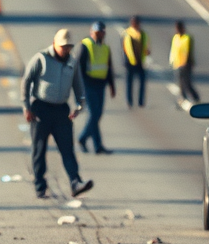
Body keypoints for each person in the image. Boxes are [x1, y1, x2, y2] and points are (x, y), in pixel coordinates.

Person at [21, 28, 94, 199]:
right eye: (63, 47)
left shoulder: (72, 62)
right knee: (39, 149)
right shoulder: (41, 58)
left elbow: (78, 86)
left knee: (67, 149)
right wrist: (26, 107)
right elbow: (26, 80)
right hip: (41, 109)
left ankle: (76, 182)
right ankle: (40, 186)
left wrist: (79, 105)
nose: (66, 50)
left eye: (69, 47)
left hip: (61, 110)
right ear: (55, 44)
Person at [77, 21, 116, 154]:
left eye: (102, 32)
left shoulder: (105, 48)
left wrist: (112, 85)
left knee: (97, 115)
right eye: (97, 32)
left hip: (101, 85)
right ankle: (85, 139)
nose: (100, 34)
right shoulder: (86, 46)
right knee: (94, 114)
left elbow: (108, 67)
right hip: (89, 84)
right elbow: (79, 67)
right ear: (92, 32)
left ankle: (96, 145)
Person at [122, 15, 149, 107]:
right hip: (130, 62)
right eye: (134, 23)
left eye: (137, 23)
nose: (136, 25)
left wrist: (146, 52)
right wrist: (127, 60)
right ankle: (129, 101)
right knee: (129, 82)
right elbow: (126, 48)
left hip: (140, 61)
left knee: (142, 81)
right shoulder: (127, 33)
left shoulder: (142, 34)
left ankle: (141, 101)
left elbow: (144, 45)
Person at [169, 20, 199, 103]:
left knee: (187, 83)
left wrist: (189, 62)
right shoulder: (175, 38)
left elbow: (189, 51)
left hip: (186, 64)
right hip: (177, 63)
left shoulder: (187, 38)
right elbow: (173, 50)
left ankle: (195, 97)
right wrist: (172, 61)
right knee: (180, 83)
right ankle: (183, 99)